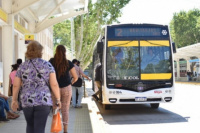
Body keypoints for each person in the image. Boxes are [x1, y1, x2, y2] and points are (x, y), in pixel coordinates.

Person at [11, 41, 61, 133]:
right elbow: (54, 84)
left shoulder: (22, 66)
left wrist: (14, 100)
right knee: (40, 128)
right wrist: (58, 99)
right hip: (43, 100)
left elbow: (16, 85)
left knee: (30, 126)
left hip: (27, 101)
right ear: (40, 51)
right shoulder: (47, 65)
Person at [49, 45, 78, 133]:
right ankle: (65, 130)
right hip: (66, 88)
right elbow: (75, 77)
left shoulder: (51, 61)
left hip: (55, 89)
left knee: (55, 108)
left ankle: (55, 129)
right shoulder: (68, 63)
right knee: (65, 110)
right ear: (65, 52)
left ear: (56, 51)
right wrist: (70, 83)